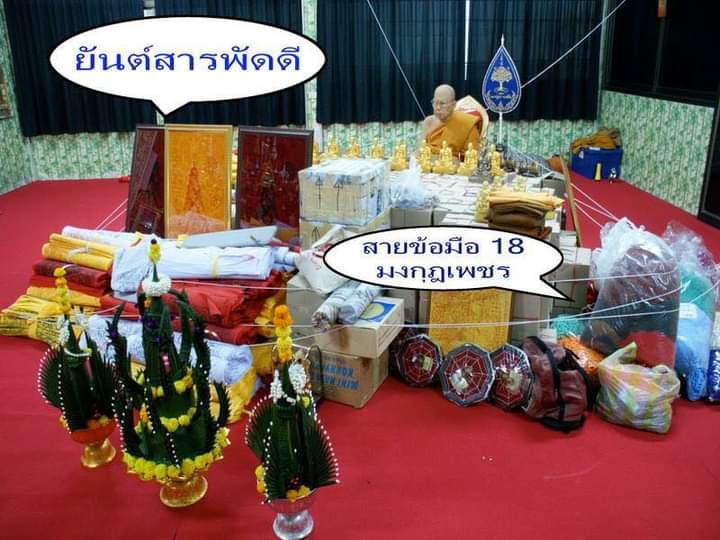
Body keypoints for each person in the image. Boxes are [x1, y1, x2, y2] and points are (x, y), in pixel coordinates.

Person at [421, 84, 481, 157]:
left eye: (442, 103)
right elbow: (420, 151)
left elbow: (473, 158)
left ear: (454, 105)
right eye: (435, 103)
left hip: (451, 164)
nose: (438, 107)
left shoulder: (467, 124)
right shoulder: (429, 122)